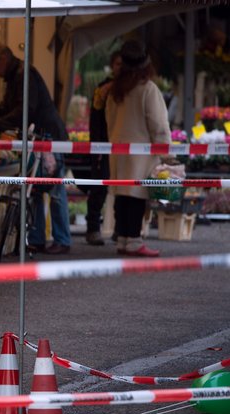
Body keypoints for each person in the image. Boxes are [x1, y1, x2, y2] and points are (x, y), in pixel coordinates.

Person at [0, 44, 71, 255]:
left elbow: (25, 109)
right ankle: (37, 238)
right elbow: (10, 107)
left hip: (48, 137)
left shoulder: (24, 75)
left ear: (3, 59)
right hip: (42, 136)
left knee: (53, 188)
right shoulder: (18, 75)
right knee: (37, 188)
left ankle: (61, 239)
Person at [105, 39, 170, 257]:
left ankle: (122, 238)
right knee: (136, 196)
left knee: (122, 195)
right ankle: (134, 240)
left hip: (118, 150)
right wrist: (166, 152)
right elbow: (158, 124)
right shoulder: (148, 90)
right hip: (140, 154)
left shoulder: (115, 91)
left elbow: (109, 120)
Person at [82, 50, 122, 246]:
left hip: (123, 146)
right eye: (117, 64)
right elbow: (95, 119)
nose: (120, 68)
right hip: (103, 145)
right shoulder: (103, 89)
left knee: (124, 188)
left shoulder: (132, 89)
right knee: (99, 187)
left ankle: (121, 229)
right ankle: (92, 229)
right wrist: (96, 146)